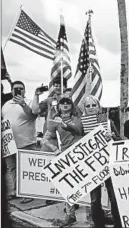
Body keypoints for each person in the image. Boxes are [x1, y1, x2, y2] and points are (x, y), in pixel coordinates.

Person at [81, 95, 122, 228]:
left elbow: (119, 140)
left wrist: (113, 136)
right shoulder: (81, 124)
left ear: (99, 107)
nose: (91, 108)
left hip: (108, 163)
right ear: (84, 108)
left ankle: (118, 223)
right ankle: (98, 225)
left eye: (94, 105)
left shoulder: (107, 121)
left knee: (113, 195)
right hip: (92, 165)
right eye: (88, 106)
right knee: (94, 199)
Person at [41, 95, 83, 227]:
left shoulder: (77, 119)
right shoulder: (55, 120)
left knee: (86, 184)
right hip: (65, 155)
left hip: (80, 153)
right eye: (62, 103)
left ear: (72, 105)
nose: (65, 104)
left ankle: (91, 215)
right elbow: (45, 138)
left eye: (68, 102)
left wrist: (66, 125)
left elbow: (80, 131)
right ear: (58, 106)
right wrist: (54, 148)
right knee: (68, 185)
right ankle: (70, 215)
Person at [2, 80, 38, 204]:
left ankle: (28, 193)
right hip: (9, 143)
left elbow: (33, 115)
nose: (18, 90)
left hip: (26, 142)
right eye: (16, 88)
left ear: (24, 90)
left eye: (21, 88)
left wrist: (23, 104)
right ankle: (17, 190)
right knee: (12, 168)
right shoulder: (6, 104)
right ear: (11, 91)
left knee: (26, 169)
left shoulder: (29, 102)